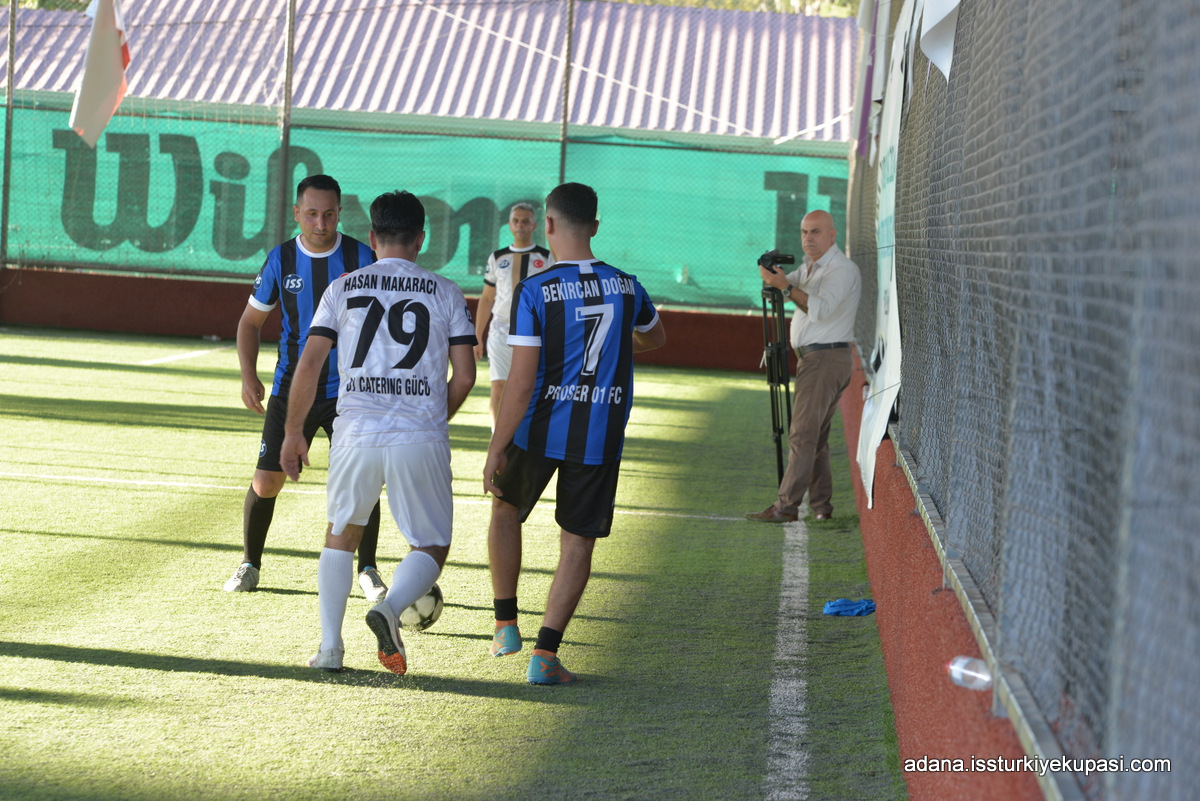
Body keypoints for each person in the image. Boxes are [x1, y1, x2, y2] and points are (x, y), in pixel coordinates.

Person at [281, 190, 477, 674]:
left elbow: (310, 362)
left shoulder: (342, 288)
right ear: (421, 239)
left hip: (355, 433)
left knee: (340, 535)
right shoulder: (446, 291)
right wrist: (433, 419)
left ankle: (330, 648)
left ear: (372, 237)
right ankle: (388, 609)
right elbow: (466, 375)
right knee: (431, 545)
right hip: (420, 434)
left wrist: (293, 431)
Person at [482, 182, 666, 685]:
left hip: (537, 429)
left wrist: (496, 446)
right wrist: (615, 347)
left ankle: (505, 625)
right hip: (600, 432)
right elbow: (655, 336)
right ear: (596, 227)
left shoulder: (535, 289)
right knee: (578, 541)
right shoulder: (627, 286)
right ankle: (545, 656)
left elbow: (520, 383)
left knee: (505, 509)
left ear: (547, 225)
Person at [225, 174, 388, 601]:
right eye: (312, 214)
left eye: (329, 214)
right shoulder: (281, 259)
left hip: (350, 392)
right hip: (291, 388)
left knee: (363, 480)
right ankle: (249, 563)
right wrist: (248, 375)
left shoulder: (362, 257)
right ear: (297, 213)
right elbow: (250, 322)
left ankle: (368, 569)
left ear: (339, 214)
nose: (321, 223)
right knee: (267, 482)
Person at [746, 209, 861, 523]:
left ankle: (786, 507)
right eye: (804, 232)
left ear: (832, 235)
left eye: (816, 232)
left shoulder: (841, 269)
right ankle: (822, 507)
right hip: (819, 359)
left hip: (825, 359)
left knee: (802, 435)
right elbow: (783, 290)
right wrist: (772, 276)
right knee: (816, 437)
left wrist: (784, 286)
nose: (808, 238)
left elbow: (819, 309)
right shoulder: (811, 267)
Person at [473, 203, 552, 429]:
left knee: (529, 389)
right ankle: (497, 440)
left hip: (534, 332)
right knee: (498, 387)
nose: (520, 225)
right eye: (516, 221)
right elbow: (487, 298)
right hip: (500, 329)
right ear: (509, 225)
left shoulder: (546, 257)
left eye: (525, 221)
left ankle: (524, 439)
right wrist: (477, 335)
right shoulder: (497, 257)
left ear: (535, 225)